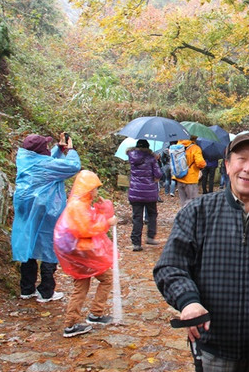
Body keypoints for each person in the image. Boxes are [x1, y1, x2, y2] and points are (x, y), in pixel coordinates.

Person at [154, 131, 249, 372]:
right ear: (228, 164)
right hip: (214, 343)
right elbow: (170, 266)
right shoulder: (198, 211)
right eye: (241, 159)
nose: (248, 168)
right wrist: (188, 302)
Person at [11, 133, 81, 302]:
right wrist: (70, 150)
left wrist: (59, 148)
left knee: (29, 246)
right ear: (40, 150)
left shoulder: (25, 159)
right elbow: (72, 166)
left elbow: (48, 162)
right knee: (49, 247)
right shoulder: (45, 165)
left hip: (26, 210)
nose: (48, 148)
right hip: (46, 211)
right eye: (46, 146)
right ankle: (46, 291)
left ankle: (27, 289)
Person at [53, 170, 118, 338]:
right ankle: (87, 317)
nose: (97, 191)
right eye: (95, 188)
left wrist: (103, 210)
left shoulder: (79, 202)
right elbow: (86, 229)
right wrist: (107, 222)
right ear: (89, 189)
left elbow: (90, 221)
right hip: (81, 253)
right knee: (105, 279)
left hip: (79, 252)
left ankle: (76, 320)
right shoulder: (78, 206)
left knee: (82, 285)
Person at [127, 139, 162, 251]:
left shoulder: (132, 157)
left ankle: (136, 243)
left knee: (137, 217)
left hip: (135, 191)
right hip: (149, 192)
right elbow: (158, 174)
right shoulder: (151, 158)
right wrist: (156, 160)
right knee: (152, 214)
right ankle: (150, 236)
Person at [172, 135, 206, 208]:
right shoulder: (195, 148)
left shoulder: (177, 146)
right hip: (191, 178)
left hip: (179, 177)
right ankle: (190, 217)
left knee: (183, 201)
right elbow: (200, 163)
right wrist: (204, 164)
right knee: (192, 201)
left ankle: (183, 216)